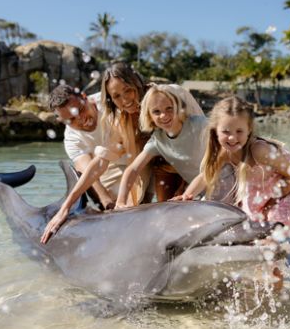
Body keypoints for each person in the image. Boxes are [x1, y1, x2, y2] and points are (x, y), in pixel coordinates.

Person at [41, 65, 202, 244]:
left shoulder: (173, 95)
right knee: (169, 222)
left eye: (128, 90)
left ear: (137, 84)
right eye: (117, 96)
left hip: (202, 168)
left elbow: (207, 146)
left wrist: (187, 191)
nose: (125, 100)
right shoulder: (121, 118)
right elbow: (101, 163)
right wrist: (67, 206)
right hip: (163, 166)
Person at [178, 96, 290, 233]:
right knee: (250, 226)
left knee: (271, 227)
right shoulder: (225, 152)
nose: (232, 137)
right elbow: (206, 176)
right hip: (266, 192)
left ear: (249, 130)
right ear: (215, 131)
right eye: (226, 131)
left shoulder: (259, 150)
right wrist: (186, 196)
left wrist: (270, 205)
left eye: (239, 131)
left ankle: (276, 252)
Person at [115, 84, 207, 208]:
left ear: (178, 107)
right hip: (204, 194)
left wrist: (187, 194)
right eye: (156, 112)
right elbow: (133, 169)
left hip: (229, 184)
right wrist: (120, 201)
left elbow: (216, 165)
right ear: (150, 116)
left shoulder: (200, 125)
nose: (163, 115)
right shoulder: (158, 140)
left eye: (169, 108)